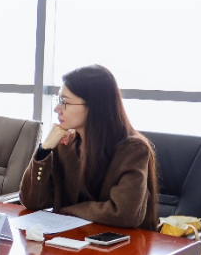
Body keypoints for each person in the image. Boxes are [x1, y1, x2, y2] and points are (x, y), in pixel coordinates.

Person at [21, 65, 158, 230]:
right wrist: (44, 150)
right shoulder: (65, 144)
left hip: (120, 241)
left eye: (65, 102)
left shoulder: (133, 149)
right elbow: (32, 201)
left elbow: (124, 213)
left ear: (93, 106)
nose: (57, 109)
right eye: (59, 101)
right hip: (69, 238)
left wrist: (67, 211)